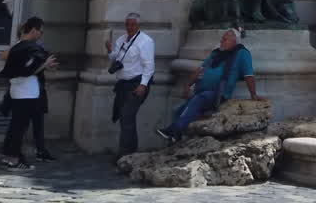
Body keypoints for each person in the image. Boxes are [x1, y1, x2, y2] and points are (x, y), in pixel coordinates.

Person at [156, 28, 261, 143]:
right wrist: (188, 85)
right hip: (201, 92)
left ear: (234, 41)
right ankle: (175, 138)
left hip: (218, 93)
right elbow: (200, 70)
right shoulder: (216, 53)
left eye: (225, 39)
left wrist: (253, 94)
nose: (221, 41)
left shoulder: (242, 53)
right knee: (178, 110)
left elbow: (248, 75)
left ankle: (174, 130)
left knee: (200, 99)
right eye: (222, 39)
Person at [0, 17, 57, 170]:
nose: (41, 35)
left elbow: (20, 70)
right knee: (19, 127)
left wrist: (43, 65)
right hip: (25, 93)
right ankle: (14, 159)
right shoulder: (26, 47)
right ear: (33, 30)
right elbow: (26, 72)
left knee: (15, 126)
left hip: (19, 91)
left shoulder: (18, 47)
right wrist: (44, 64)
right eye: (40, 32)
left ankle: (9, 156)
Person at [105, 13, 155, 157]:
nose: (129, 27)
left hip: (137, 84)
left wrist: (143, 85)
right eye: (127, 24)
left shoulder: (146, 41)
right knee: (125, 118)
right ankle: (131, 154)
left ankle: (124, 155)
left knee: (127, 116)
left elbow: (149, 66)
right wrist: (109, 50)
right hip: (123, 85)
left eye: (133, 24)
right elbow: (116, 57)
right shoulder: (121, 39)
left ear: (138, 25)